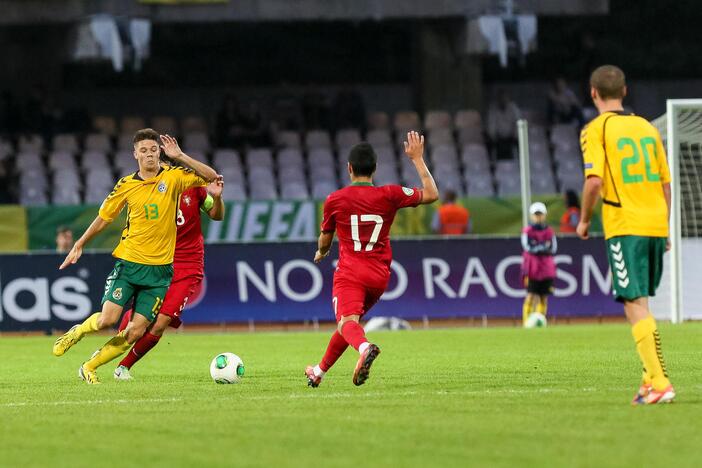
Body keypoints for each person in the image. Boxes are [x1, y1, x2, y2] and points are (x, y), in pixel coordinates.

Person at [52, 129, 218, 384]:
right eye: (144, 150)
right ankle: (79, 331)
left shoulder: (175, 177)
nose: (149, 154)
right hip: (129, 264)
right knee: (107, 319)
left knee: (134, 332)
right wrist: (80, 243)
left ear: (160, 152)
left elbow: (211, 177)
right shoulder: (126, 185)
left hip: (160, 272)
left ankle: (89, 367)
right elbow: (104, 218)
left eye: (153, 149)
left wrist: (180, 155)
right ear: (135, 154)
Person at [306, 132, 438, 387]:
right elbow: (431, 194)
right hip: (379, 276)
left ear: (349, 168)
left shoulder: (335, 200)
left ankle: (365, 348)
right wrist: (417, 159)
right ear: (375, 169)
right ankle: (318, 372)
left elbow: (325, 239)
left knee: (348, 324)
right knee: (349, 325)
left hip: (351, 272)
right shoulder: (390, 194)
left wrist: (322, 252)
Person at [577, 65, 675, 405]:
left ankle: (660, 382)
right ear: (625, 91)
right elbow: (666, 183)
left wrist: (585, 221)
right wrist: (665, 227)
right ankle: (649, 381)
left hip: (625, 224)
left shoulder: (596, 129)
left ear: (593, 93)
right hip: (655, 222)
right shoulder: (647, 128)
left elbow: (594, 182)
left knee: (632, 304)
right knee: (641, 302)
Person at [113, 172, 225, 380]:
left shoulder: (196, 189)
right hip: (159, 261)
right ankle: (111, 349)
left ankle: (123, 367)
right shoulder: (151, 191)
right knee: (141, 318)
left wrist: (217, 197)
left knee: (161, 321)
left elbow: (217, 215)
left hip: (189, 265)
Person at [521, 202, 557, 326]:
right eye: (536, 214)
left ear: (545, 215)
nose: (538, 217)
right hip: (532, 268)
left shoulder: (549, 231)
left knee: (543, 297)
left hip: (547, 269)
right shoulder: (528, 231)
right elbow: (527, 247)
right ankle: (526, 322)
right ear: (532, 216)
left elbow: (553, 249)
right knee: (530, 295)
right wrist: (542, 247)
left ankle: (541, 321)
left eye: (540, 214)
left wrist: (537, 246)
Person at [487, 89, 521, 160]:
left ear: (508, 98)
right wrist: (493, 136)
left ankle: (518, 162)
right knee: (490, 142)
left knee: (520, 142)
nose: (503, 100)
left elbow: (518, 122)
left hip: (511, 137)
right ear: (498, 99)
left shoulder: (513, 108)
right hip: (498, 138)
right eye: (501, 98)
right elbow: (491, 125)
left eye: (505, 98)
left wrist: (515, 136)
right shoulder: (493, 108)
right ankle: (494, 164)